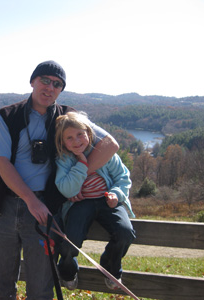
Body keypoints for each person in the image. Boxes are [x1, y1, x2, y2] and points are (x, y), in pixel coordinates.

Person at [0, 60, 119, 300]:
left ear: (61, 90)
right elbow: (1, 163)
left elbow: (111, 145)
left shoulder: (68, 117)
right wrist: (30, 200)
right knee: (0, 287)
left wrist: (78, 175)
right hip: (3, 207)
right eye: (45, 80)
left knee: (41, 288)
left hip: (46, 209)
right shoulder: (8, 115)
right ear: (32, 82)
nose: (50, 87)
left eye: (57, 84)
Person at [54, 111, 136, 291]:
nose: (76, 141)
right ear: (62, 142)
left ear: (89, 133)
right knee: (70, 241)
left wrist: (116, 194)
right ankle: (67, 270)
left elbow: (122, 177)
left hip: (108, 201)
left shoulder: (104, 153)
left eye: (80, 134)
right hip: (81, 204)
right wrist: (82, 164)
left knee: (125, 233)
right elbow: (66, 189)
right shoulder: (64, 159)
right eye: (69, 138)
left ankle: (110, 266)